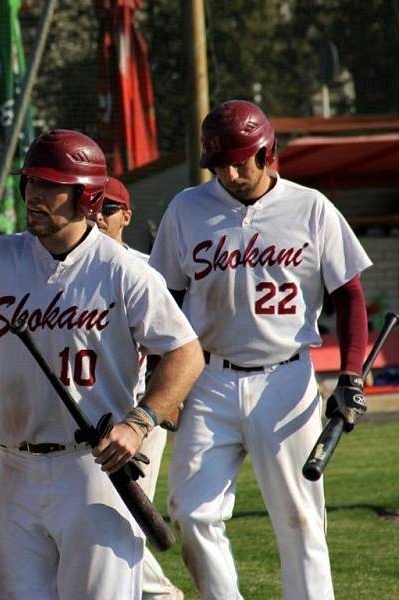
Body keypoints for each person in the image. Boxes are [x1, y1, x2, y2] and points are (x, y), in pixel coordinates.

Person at [0, 129, 204, 599]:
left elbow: (186, 352)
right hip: (15, 469)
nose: (34, 195)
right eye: (30, 183)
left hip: (94, 468)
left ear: (86, 196)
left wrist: (141, 421)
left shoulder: (121, 268)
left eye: (50, 185)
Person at [148, 99, 371, 599]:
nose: (227, 172)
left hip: (285, 378)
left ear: (267, 152)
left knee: (301, 521)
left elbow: (349, 295)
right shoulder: (187, 208)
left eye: (238, 160)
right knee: (190, 511)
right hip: (207, 378)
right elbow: (166, 301)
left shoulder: (310, 207)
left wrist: (351, 375)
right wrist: (164, 376)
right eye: (218, 162)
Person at [88, 177, 184, 600]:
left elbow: (177, 341)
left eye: (107, 208)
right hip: (88, 412)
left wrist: (168, 402)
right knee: (93, 518)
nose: (97, 216)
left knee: (123, 513)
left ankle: (159, 594)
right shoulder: (77, 266)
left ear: (126, 215)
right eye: (90, 205)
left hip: (139, 411)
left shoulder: (144, 268)